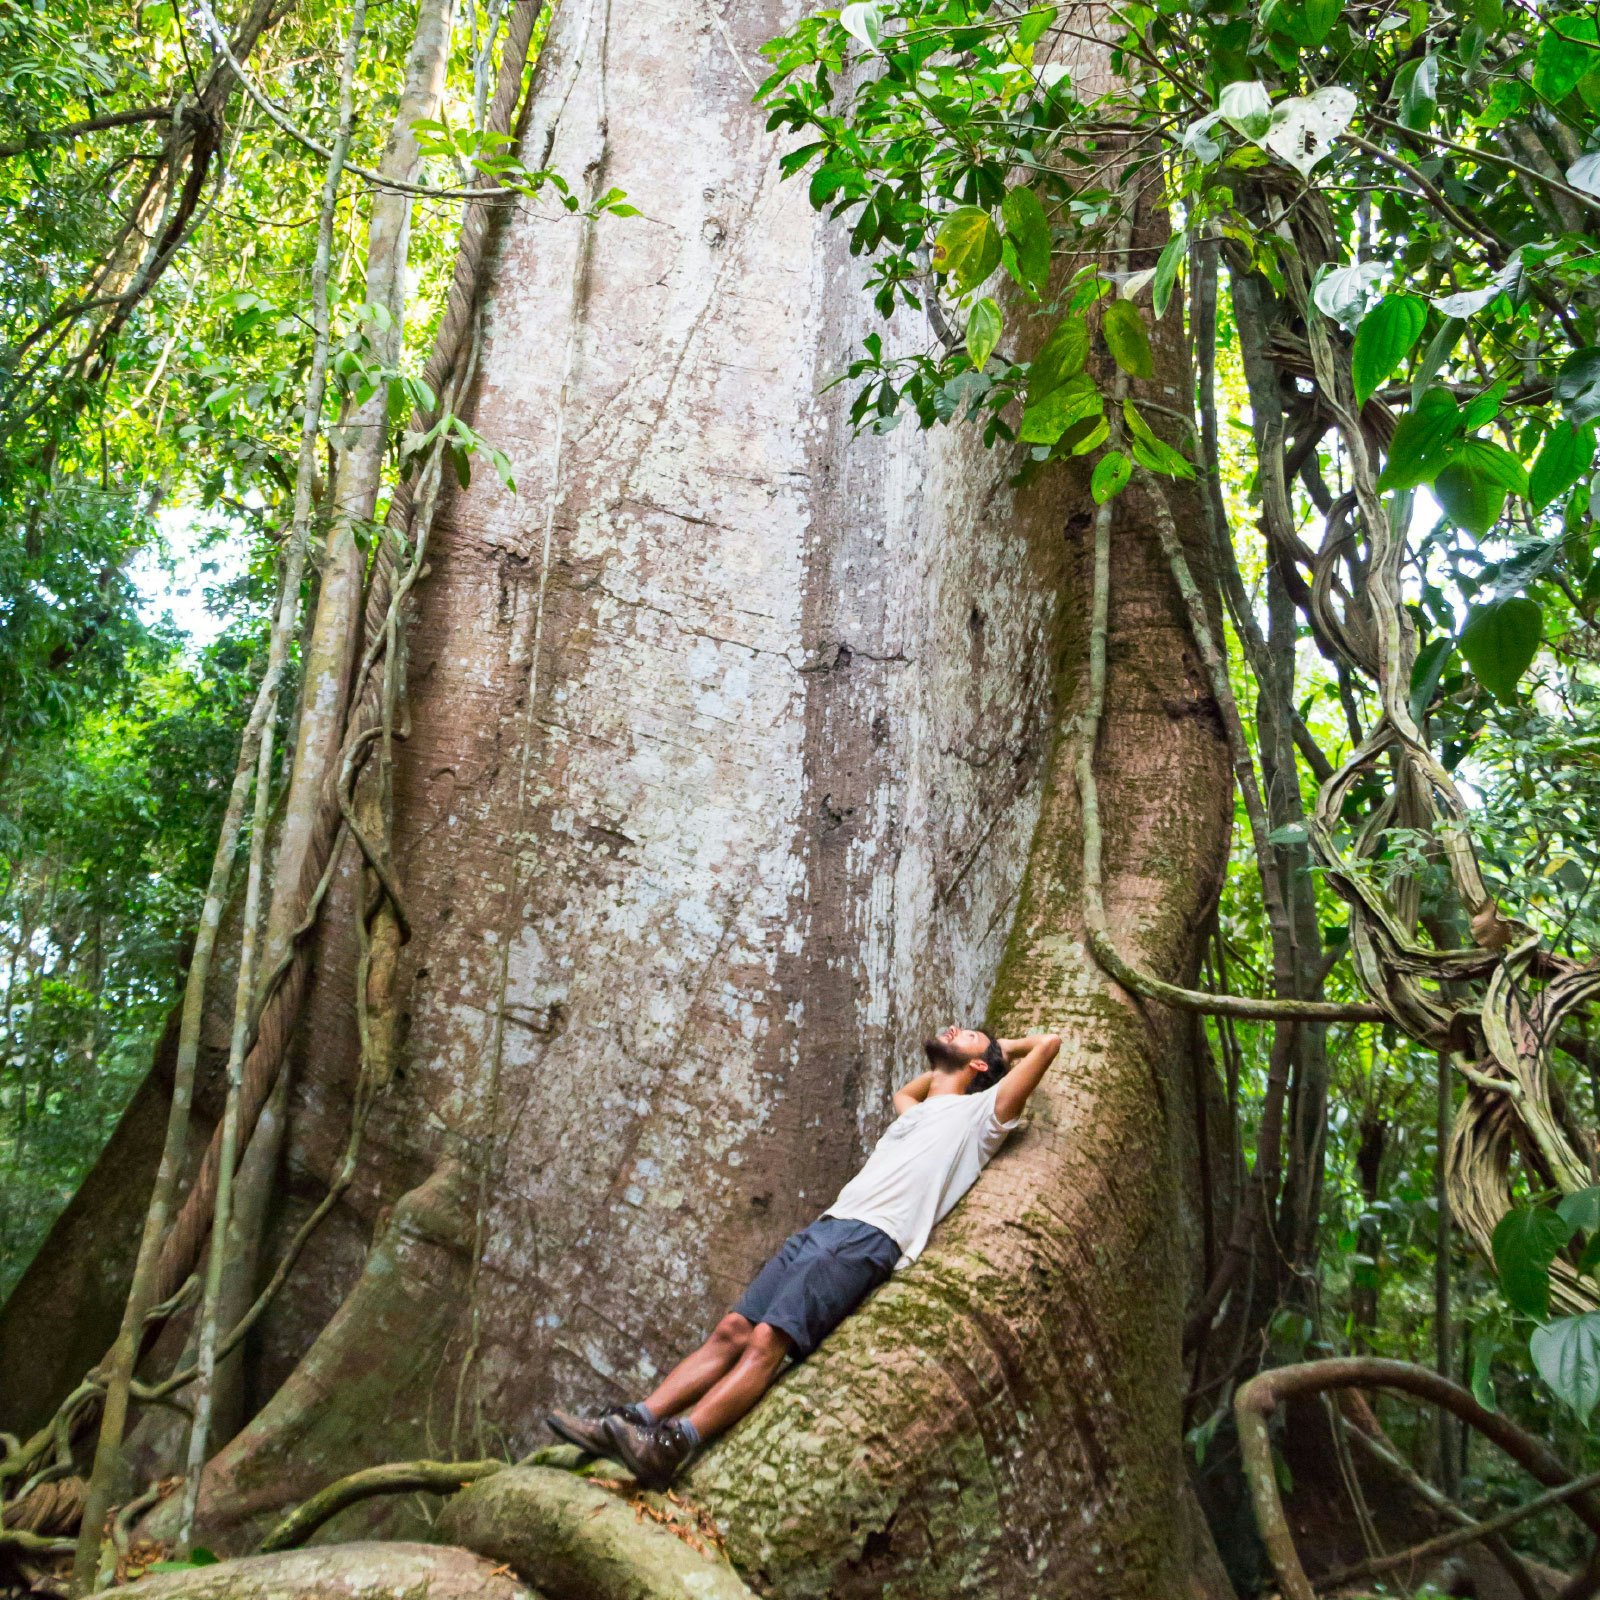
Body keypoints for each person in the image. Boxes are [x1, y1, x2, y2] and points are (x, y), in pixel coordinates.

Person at [545, 1025, 1061, 1488]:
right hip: (828, 1225)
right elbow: (905, 1092)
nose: (953, 1029)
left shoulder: (981, 1117)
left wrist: (1001, 1048)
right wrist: (962, 1057)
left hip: (871, 1237)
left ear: (981, 1064)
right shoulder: (919, 1112)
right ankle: (634, 1420)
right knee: (732, 1330)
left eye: (968, 1035)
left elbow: (1048, 1044)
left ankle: (674, 1443)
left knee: (768, 1341)